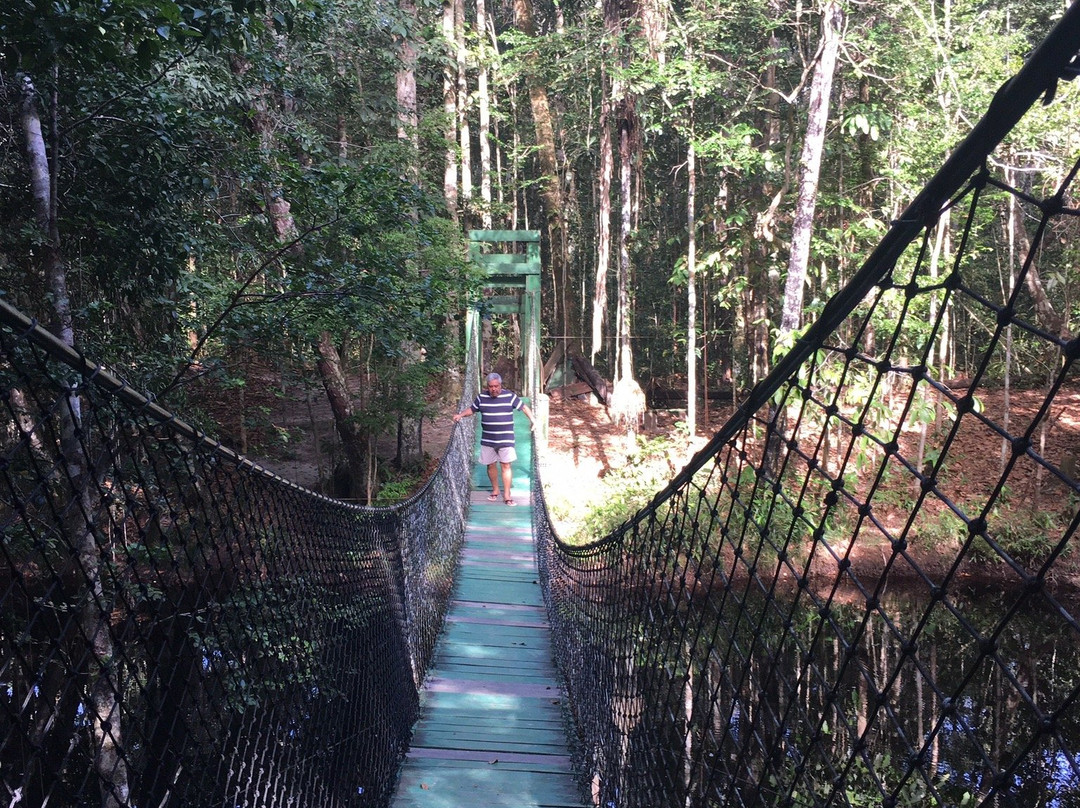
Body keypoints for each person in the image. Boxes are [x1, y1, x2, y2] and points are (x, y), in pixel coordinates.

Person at [452, 372, 535, 505]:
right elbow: (472, 409)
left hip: (506, 439)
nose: (494, 389)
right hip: (488, 439)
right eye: (491, 386)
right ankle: (495, 490)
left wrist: (533, 420)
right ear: (487, 386)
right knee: (490, 465)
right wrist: (460, 415)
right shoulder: (481, 397)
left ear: (500, 385)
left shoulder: (509, 396)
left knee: (506, 465)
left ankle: (507, 495)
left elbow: (524, 407)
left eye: (496, 386)